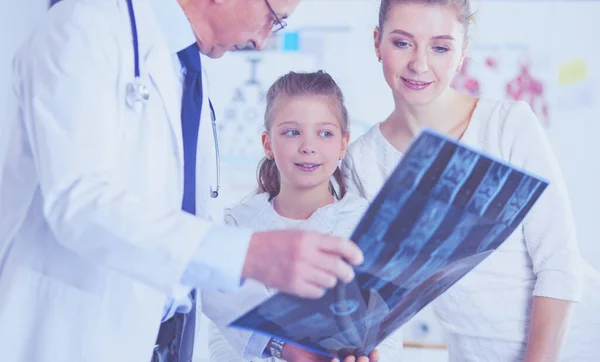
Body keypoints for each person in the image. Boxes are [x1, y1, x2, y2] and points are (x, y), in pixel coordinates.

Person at [0, 0, 366, 361]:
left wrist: (283, 343)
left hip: (163, 344)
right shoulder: (84, 27)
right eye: (272, 17)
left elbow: (189, 238)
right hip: (71, 336)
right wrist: (249, 254)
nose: (261, 40)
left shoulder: (185, 68)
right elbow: (79, 203)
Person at [342, 0, 600, 361]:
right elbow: (378, 300)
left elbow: (559, 265)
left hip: (574, 346)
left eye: (441, 47)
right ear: (376, 43)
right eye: (402, 43)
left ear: (462, 54)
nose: (419, 63)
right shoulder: (362, 162)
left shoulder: (507, 124)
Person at [202, 70, 401, 362]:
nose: (308, 146)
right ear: (268, 143)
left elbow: (389, 332)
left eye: (325, 133)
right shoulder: (239, 226)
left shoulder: (365, 226)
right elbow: (224, 333)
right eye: (292, 132)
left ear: (343, 143)